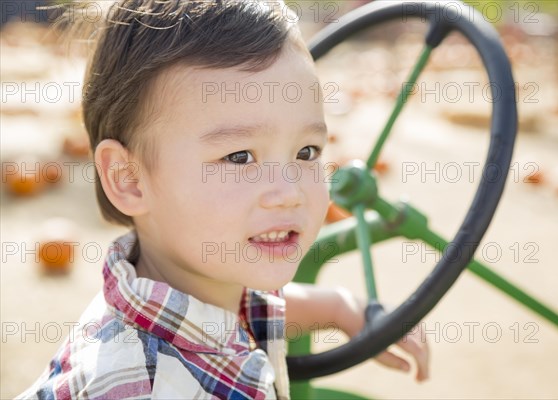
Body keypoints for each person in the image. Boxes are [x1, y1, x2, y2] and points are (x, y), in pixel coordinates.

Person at [18, 1, 428, 398]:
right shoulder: (146, 386)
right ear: (129, 178)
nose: (289, 192)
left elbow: (241, 312)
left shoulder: (191, 281)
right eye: (239, 158)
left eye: (307, 152)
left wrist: (338, 307)